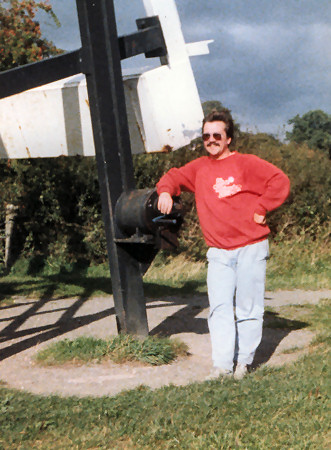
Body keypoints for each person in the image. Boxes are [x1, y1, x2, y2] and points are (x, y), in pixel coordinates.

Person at [156, 110, 290, 380]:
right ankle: (222, 366)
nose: (211, 140)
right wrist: (164, 192)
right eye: (206, 136)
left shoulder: (247, 163)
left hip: (251, 247)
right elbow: (172, 177)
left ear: (228, 137)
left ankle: (244, 363)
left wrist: (263, 207)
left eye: (217, 135)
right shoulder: (199, 168)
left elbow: (280, 181)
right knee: (218, 309)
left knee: (248, 308)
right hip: (218, 252)